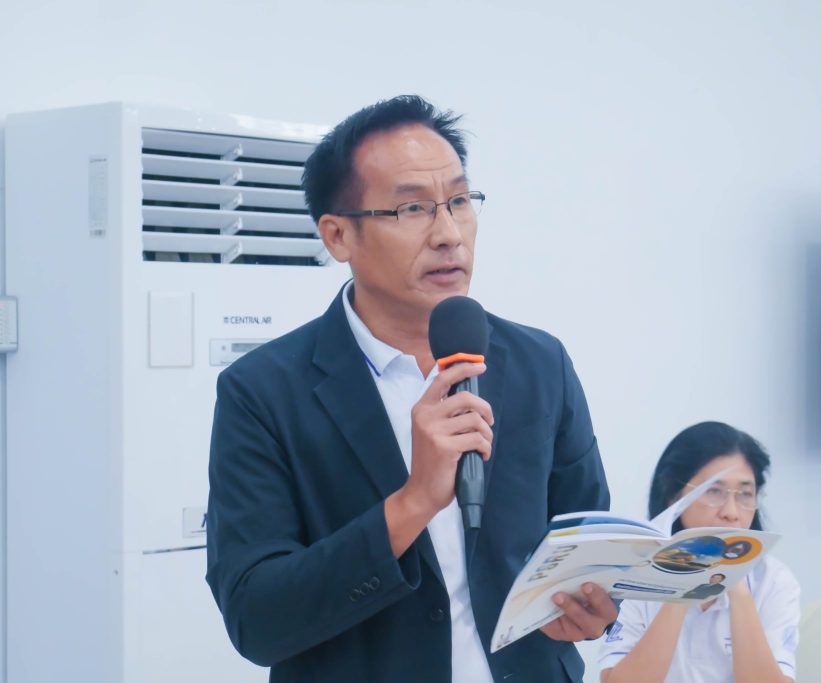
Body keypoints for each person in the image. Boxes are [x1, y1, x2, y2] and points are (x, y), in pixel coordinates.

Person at [205, 95, 616, 683]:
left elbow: (585, 539)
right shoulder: (263, 392)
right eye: (413, 208)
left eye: (459, 202)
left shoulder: (539, 362)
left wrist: (594, 609)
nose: (448, 234)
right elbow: (257, 619)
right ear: (338, 236)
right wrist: (413, 501)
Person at [599, 422, 799, 683]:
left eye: (745, 494)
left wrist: (737, 587)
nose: (731, 512)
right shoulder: (635, 571)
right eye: (714, 491)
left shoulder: (773, 580)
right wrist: (683, 585)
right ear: (674, 496)